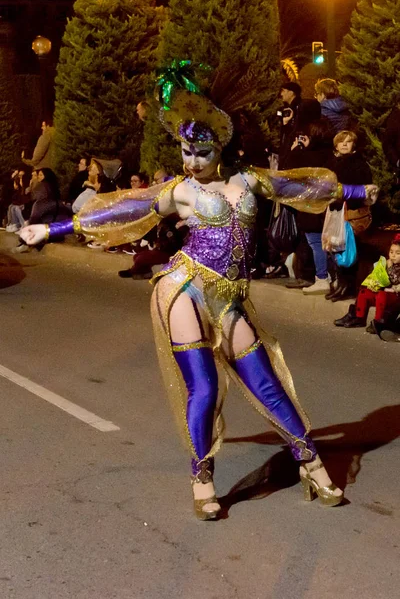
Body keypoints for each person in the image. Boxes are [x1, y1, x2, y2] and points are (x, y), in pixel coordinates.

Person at [21, 62, 379, 519]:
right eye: (186, 151)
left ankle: (310, 463)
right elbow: (124, 210)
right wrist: (53, 227)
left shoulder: (250, 180)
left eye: (200, 152)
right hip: (185, 288)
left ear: (221, 147)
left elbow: (301, 185)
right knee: (204, 386)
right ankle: (202, 477)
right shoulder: (181, 191)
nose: (190, 161)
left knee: (267, 384)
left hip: (229, 298)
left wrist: (355, 188)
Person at [285, 121, 334, 293]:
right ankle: (330, 277)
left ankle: (322, 278)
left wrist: (295, 150)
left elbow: (288, 171)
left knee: (315, 242)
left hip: (311, 205)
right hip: (326, 205)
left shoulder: (306, 155)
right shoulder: (329, 154)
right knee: (327, 244)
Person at [324, 130, 373, 301]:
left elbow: (364, 189)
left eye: (348, 141)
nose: (344, 144)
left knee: (349, 249)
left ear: (354, 145)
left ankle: (349, 287)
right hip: (336, 212)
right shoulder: (333, 163)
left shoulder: (359, 164)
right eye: (341, 141)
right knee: (336, 248)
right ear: (336, 145)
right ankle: (341, 284)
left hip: (351, 213)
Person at [334, 234, 400, 340]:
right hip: (384, 290)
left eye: (397, 253)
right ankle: (359, 317)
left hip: (395, 296)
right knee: (364, 292)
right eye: (391, 252)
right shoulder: (386, 263)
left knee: (381, 296)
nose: (393, 255)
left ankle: (378, 322)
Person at [278, 82, 321, 169]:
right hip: (287, 146)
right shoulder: (284, 109)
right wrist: (285, 123)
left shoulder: (304, 106)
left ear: (291, 92)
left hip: (297, 145)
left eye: (283, 91)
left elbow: (299, 128)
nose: (281, 94)